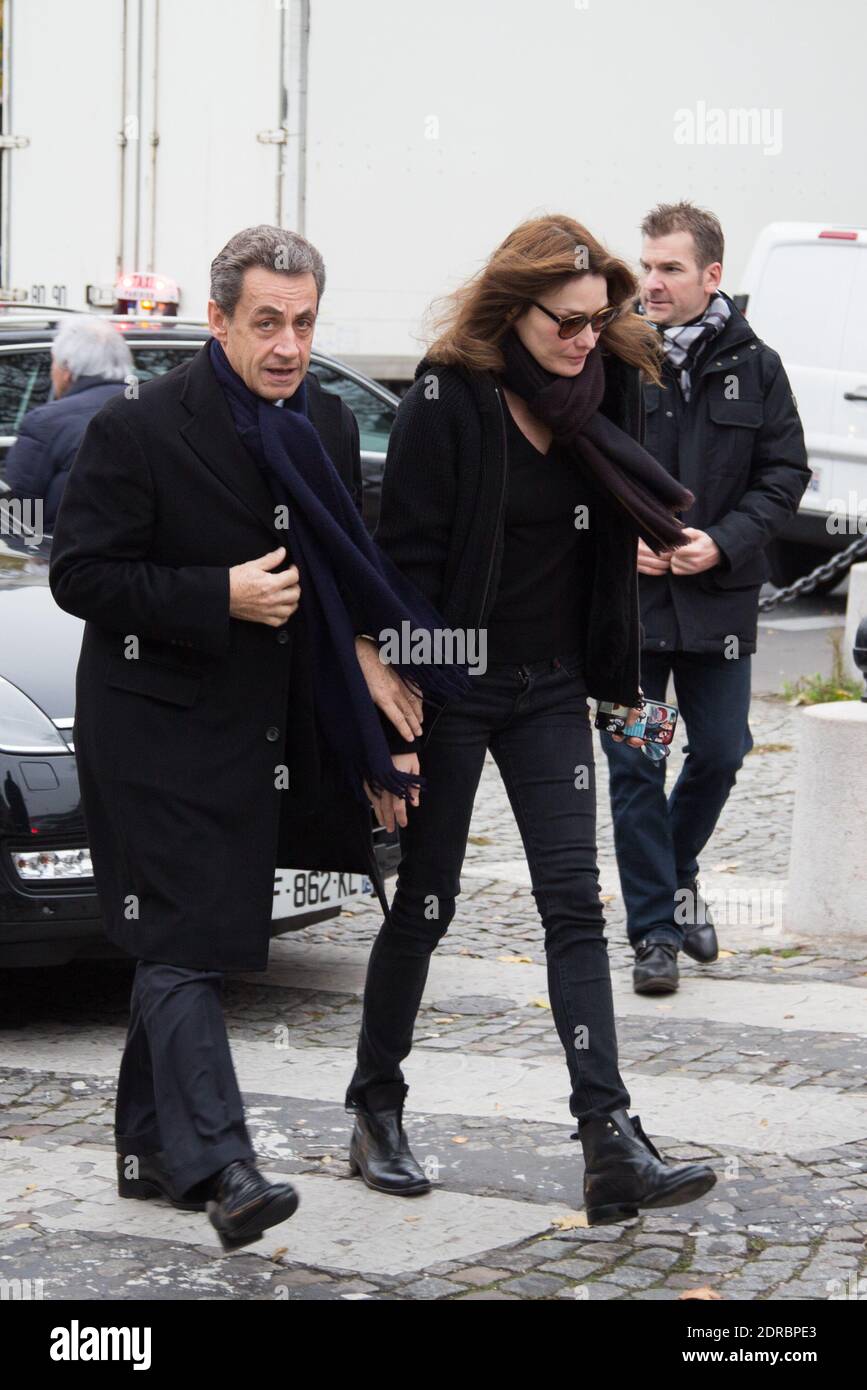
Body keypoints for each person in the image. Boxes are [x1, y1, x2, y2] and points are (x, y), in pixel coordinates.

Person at [48, 225, 466, 1252]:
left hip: (250, 732)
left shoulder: (318, 417)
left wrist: (370, 674)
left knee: (180, 936)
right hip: (146, 725)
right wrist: (216, 594)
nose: (288, 343)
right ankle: (223, 1166)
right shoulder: (136, 430)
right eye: (267, 322)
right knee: (185, 940)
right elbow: (80, 575)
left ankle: (148, 1146)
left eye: (305, 322)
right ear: (219, 318)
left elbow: (334, 568)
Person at [345, 215, 719, 1226]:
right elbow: (405, 566)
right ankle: (375, 1102)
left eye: (600, 321)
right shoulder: (448, 396)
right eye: (567, 323)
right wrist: (405, 717)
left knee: (575, 906)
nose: (585, 340)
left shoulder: (611, 392)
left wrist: (626, 675)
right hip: (457, 679)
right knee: (426, 903)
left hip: (552, 686)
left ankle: (609, 1139)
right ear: (514, 308)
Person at [601, 202, 810, 996]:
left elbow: (783, 476)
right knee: (635, 761)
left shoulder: (755, 364)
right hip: (628, 614)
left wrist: (720, 541)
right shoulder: (612, 359)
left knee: (721, 752)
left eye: (668, 269)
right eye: (646, 266)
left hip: (717, 608)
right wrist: (617, 543)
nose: (649, 282)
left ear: (710, 276)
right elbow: (574, 472)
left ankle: (678, 868)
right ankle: (653, 931)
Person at [5, 315, 133, 528]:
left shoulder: (46, 422)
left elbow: (18, 517)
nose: (51, 371)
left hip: (64, 554)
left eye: (53, 363)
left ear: (66, 370)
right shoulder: (155, 409)